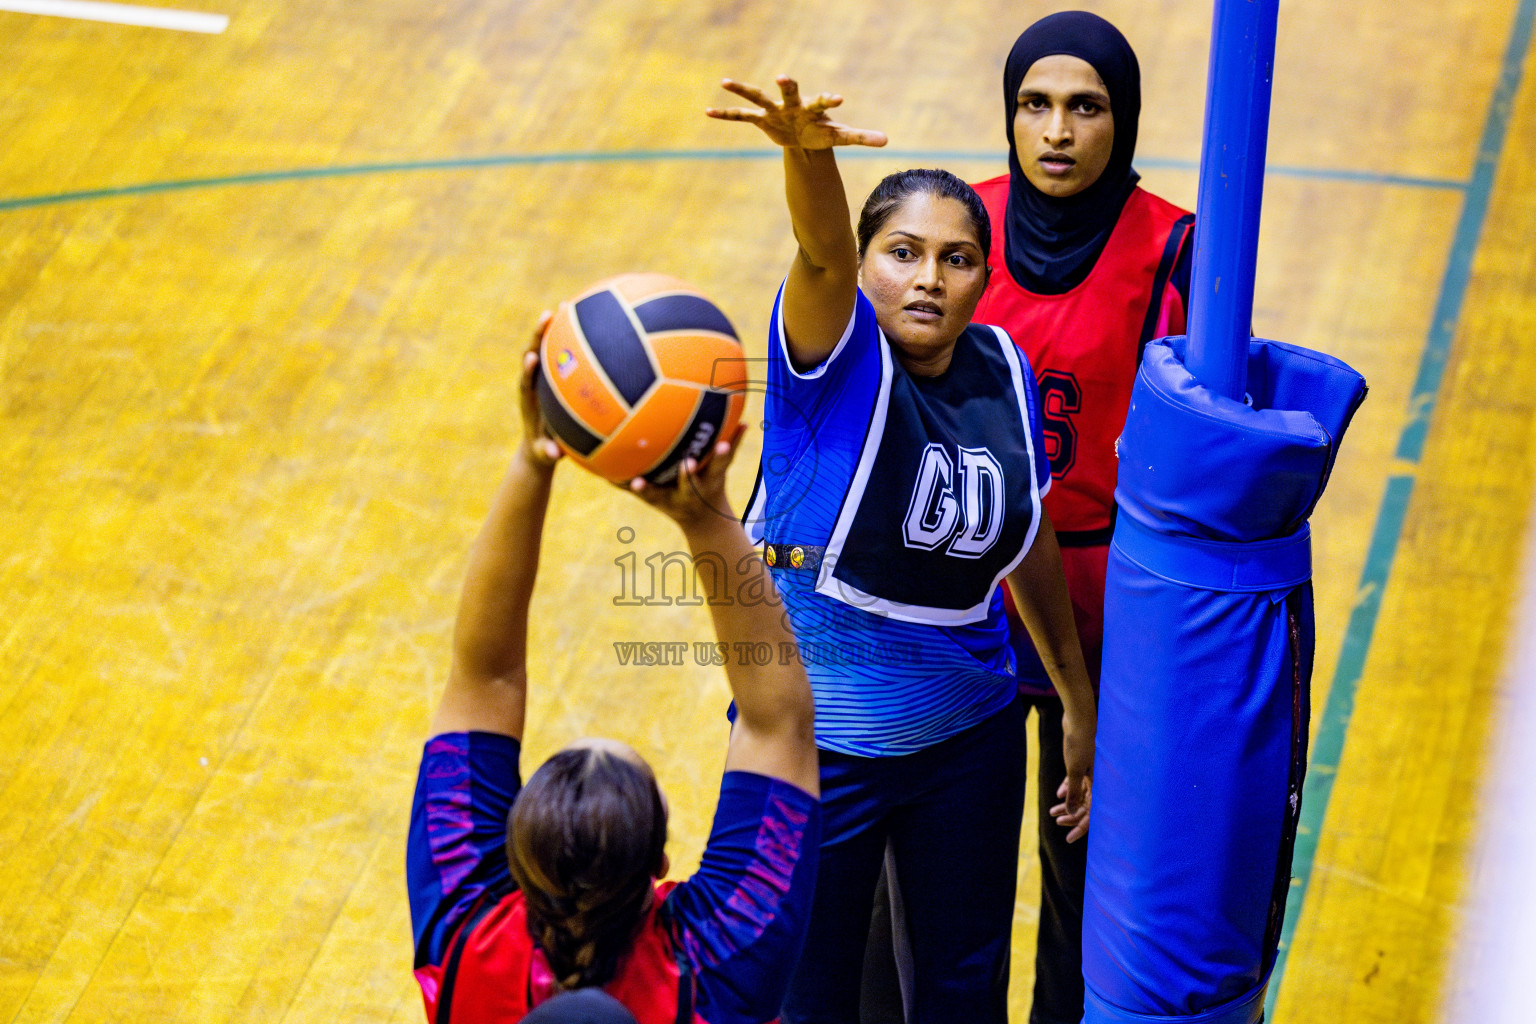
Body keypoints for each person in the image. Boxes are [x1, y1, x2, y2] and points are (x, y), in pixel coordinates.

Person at [706, 77, 1096, 1024]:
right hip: (820, 744)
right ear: (869, 261)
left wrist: (1078, 703)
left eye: (958, 259)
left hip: (970, 736)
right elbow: (821, 252)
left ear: (982, 278)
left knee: (965, 992)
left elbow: (1028, 537)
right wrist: (810, 155)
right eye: (904, 253)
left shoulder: (999, 365)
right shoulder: (828, 360)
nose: (929, 277)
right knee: (807, 998)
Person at [406, 320, 821, 1024]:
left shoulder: (466, 929)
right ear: (660, 865)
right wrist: (706, 518)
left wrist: (530, 462)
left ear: (513, 851)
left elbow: (485, 677)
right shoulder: (718, 956)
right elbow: (777, 717)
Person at [974, 13, 1195, 1024]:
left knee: (1085, 885)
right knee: (951, 874)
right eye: (1035, 104)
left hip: (1111, 618)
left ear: (1125, 119)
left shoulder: (1179, 248)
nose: (1057, 130)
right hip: (963, 605)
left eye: (1085, 107)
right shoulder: (957, 225)